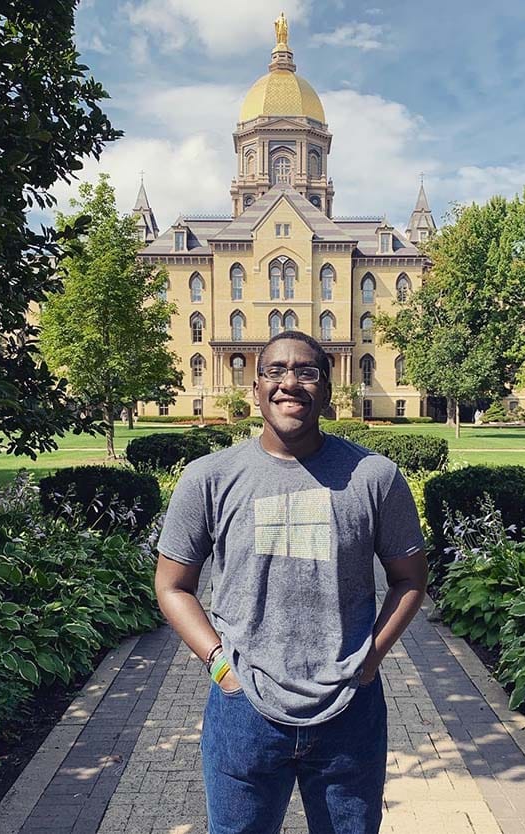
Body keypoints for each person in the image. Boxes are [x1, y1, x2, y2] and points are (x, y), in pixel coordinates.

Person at [155, 331, 427, 834]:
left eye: (306, 372)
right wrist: (221, 667)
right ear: (256, 386)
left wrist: (370, 661)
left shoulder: (374, 477)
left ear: (324, 388)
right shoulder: (209, 477)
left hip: (348, 710)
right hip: (244, 711)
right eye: (276, 371)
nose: (290, 383)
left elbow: (410, 579)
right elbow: (172, 585)